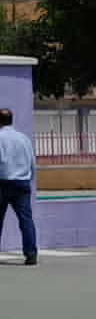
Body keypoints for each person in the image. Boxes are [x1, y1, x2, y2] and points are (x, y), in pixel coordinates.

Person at [0, 106, 36, 266]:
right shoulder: (24, 138)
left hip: (2, 182)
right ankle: (31, 254)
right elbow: (32, 162)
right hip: (22, 183)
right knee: (26, 220)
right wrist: (29, 180)